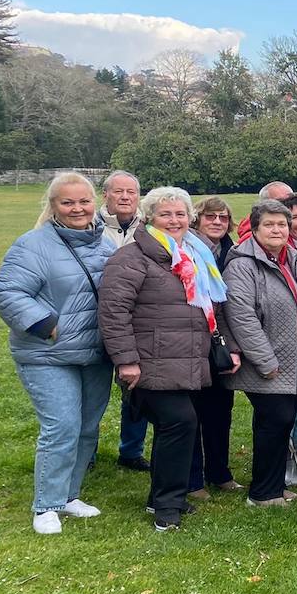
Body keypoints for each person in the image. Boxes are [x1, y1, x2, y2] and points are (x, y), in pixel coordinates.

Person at [99, 186, 233, 532]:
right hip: (150, 360)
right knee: (181, 423)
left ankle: (157, 497)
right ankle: (168, 508)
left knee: (171, 429)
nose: (174, 221)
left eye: (179, 214)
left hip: (185, 359)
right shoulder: (133, 258)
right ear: (150, 217)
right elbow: (114, 312)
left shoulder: (194, 255)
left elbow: (209, 308)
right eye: (165, 214)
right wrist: (126, 360)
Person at [0, 172, 115, 534]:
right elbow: (8, 293)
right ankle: (46, 504)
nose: (77, 208)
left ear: (94, 203)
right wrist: (48, 325)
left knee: (87, 428)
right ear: (53, 206)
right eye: (68, 202)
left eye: (83, 201)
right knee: (61, 425)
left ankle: (69, 495)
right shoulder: (33, 245)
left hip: (94, 352)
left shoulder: (105, 244)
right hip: (48, 353)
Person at [220, 198, 297, 507]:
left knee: (281, 423)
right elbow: (241, 316)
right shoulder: (242, 265)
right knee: (274, 419)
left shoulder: (292, 258)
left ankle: (274, 485)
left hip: (294, 356)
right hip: (268, 360)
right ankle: (262, 493)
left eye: (282, 224)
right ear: (255, 229)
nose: (277, 229)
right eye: (269, 224)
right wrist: (265, 361)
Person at [189, 196, 241, 496]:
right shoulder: (186, 249)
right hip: (194, 340)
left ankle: (219, 472)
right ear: (198, 219)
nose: (217, 222)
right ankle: (193, 478)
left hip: (222, 340)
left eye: (223, 217)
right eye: (211, 217)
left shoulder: (230, 252)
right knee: (192, 414)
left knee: (221, 412)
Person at [98, 170, 149, 470]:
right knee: (91, 393)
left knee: (134, 389)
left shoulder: (148, 226)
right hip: (94, 317)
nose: (126, 197)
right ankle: (86, 451)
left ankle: (130, 451)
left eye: (131, 192)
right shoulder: (92, 225)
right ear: (106, 195)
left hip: (137, 321)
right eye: (119, 192)